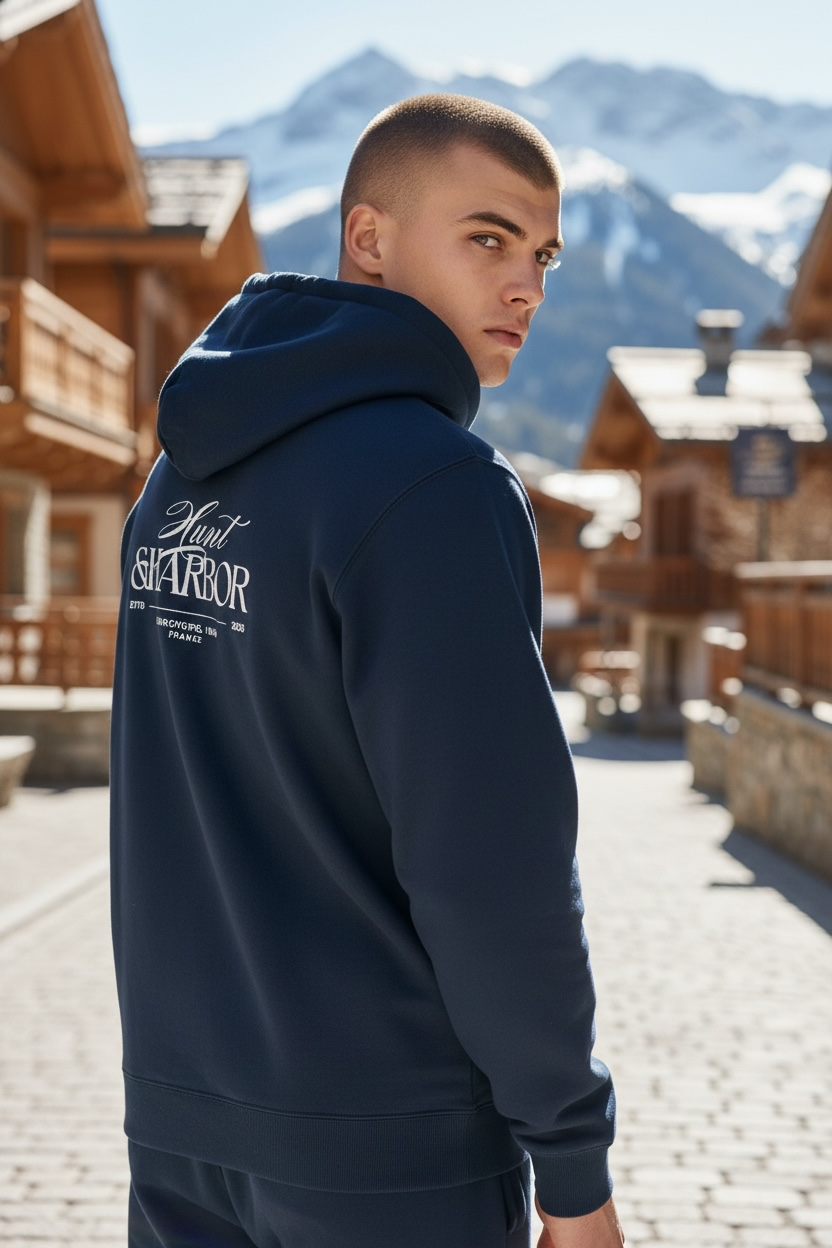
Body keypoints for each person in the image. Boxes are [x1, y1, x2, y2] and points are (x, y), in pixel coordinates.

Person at [110, 93, 624, 1248]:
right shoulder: (436, 487)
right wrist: (574, 1175)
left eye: (539, 253)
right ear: (371, 238)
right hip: (388, 1159)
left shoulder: (179, 479)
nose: (525, 286)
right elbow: (492, 865)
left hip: (185, 1136)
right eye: (487, 238)